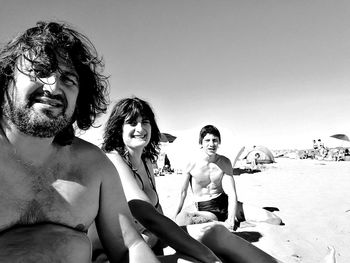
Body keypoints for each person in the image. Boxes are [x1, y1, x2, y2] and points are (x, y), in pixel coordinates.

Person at [0, 21, 159, 262]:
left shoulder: (94, 165)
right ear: (6, 80)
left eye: (68, 80)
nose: (53, 87)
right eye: (39, 71)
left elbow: (129, 246)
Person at [90, 96, 287, 263]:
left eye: (145, 121)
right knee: (198, 260)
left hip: (150, 240)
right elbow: (147, 215)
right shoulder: (113, 160)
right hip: (116, 253)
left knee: (215, 232)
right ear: (118, 129)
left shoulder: (147, 161)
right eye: (132, 123)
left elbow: (158, 213)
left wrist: (165, 242)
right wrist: (206, 255)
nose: (140, 128)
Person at [175, 125, 282, 230]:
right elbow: (183, 193)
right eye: (207, 140)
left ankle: (226, 222)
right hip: (206, 209)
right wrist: (176, 214)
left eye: (215, 140)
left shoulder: (224, 162)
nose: (211, 144)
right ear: (201, 143)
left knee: (275, 220)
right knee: (183, 220)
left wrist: (231, 219)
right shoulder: (191, 164)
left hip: (226, 204)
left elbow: (231, 193)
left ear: (219, 142)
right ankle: (220, 223)